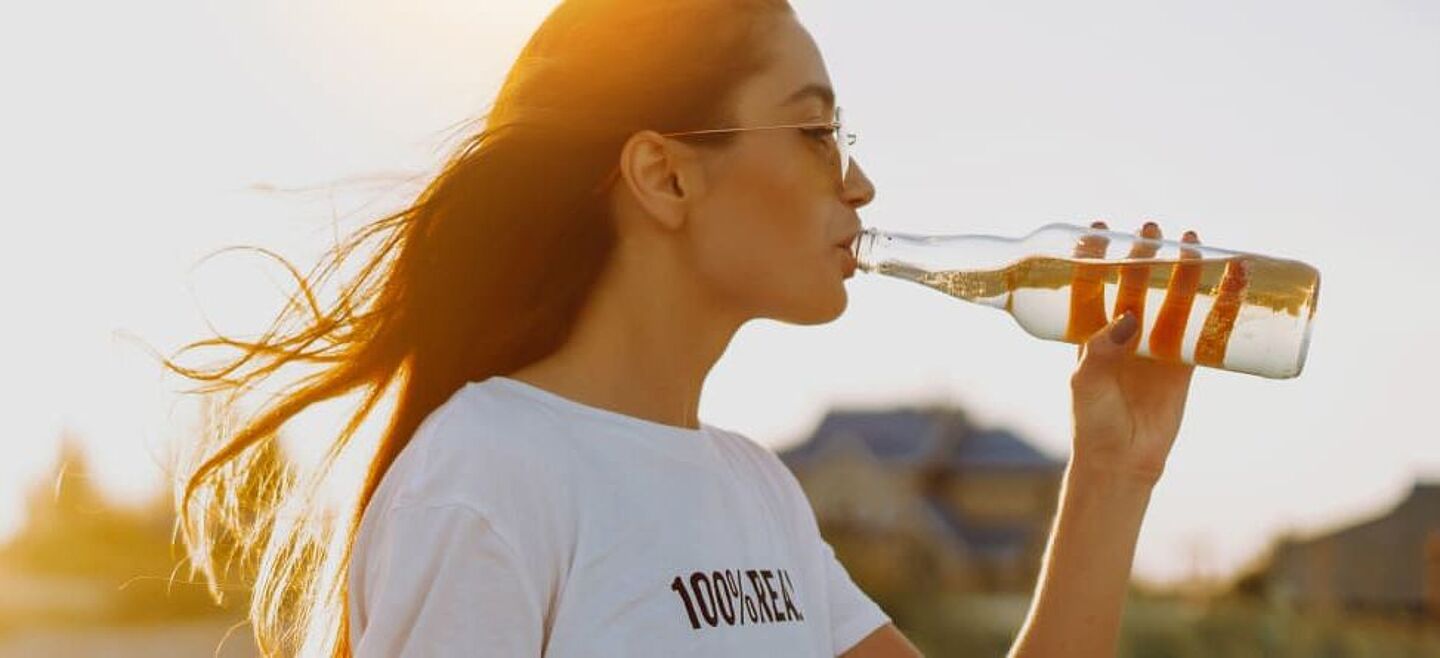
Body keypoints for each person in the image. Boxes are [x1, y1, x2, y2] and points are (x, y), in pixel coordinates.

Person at [164, 1, 1200, 656]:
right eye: (815, 131)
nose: (861, 180)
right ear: (664, 174)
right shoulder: (485, 479)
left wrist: (1112, 470)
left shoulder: (757, 494)